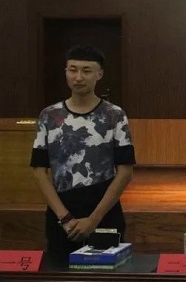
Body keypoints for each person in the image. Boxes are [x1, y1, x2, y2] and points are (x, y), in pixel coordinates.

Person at [30, 45, 135, 262]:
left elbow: (125, 171)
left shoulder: (114, 115)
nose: (78, 77)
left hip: (104, 211)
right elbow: (39, 171)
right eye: (73, 70)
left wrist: (94, 219)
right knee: (59, 275)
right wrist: (65, 218)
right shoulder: (49, 116)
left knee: (106, 277)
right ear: (65, 72)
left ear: (99, 74)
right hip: (61, 213)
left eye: (86, 71)